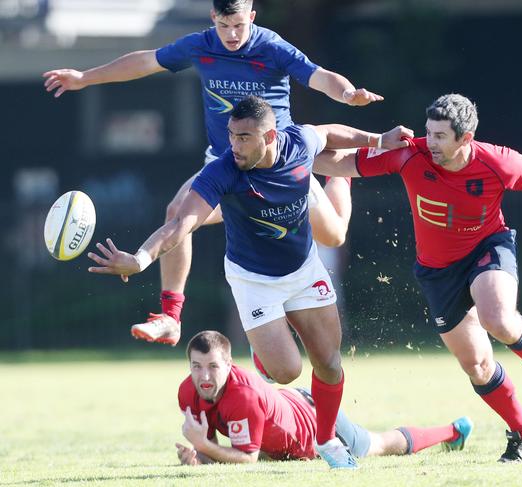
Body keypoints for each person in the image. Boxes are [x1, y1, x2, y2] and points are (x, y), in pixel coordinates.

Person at [87, 96, 410, 468]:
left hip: (304, 271)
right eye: (231, 135)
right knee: (286, 372)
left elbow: (328, 133)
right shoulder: (223, 170)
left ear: (270, 135)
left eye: (243, 137)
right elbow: (181, 224)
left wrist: (379, 139)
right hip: (254, 281)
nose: (234, 145)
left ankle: (327, 442)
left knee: (330, 363)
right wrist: (140, 259)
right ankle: (265, 352)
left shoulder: (298, 142)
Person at [43, 0, 383, 347]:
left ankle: (340, 176)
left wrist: (346, 93)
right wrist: (85, 77)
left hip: (281, 169)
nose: (232, 34)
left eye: (238, 25)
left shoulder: (272, 46)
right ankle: (170, 317)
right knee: (178, 213)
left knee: (335, 235)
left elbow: (318, 75)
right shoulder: (200, 45)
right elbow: (146, 61)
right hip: (227, 166)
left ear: (251, 17)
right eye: (224, 25)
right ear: (213, 19)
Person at [313, 93, 522, 463]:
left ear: (466, 138)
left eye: (441, 136)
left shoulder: (498, 162)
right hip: (437, 271)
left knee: (498, 319)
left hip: (487, 248)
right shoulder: (410, 153)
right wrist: (291, 156)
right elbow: (342, 163)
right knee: (476, 365)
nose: (431, 143)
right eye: (429, 132)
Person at [174, 330, 473, 465]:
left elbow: (247, 459)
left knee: (377, 445)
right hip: (286, 411)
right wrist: (198, 456)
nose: (205, 377)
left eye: (213, 367)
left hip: (315, 422)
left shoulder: (243, 396)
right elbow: (213, 450)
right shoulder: (188, 391)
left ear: (229, 364)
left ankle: (453, 431)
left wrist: (201, 447)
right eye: (197, 367)